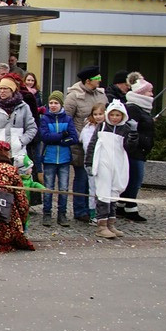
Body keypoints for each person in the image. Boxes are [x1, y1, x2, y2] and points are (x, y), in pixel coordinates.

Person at [85, 100, 136, 239]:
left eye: (117, 115)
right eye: (112, 114)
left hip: (118, 164)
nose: (114, 117)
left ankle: (111, 223)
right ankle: (101, 225)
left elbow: (129, 148)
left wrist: (133, 138)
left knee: (114, 193)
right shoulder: (101, 127)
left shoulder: (125, 129)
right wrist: (88, 163)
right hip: (103, 164)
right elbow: (92, 144)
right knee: (103, 193)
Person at [64, 66, 107, 223]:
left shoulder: (101, 95)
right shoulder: (73, 97)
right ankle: (80, 210)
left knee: (96, 180)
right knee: (81, 178)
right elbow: (67, 119)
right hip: (81, 146)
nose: (100, 81)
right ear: (88, 81)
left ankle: (95, 209)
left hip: (101, 145)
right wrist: (77, 137)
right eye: (97, 79)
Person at [118, 78, 155, 223]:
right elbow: (130, 129)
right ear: (141, 93)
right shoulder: (133, 108)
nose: (152, 94)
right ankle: (130, 207)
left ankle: (121, 205)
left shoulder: (142, 108)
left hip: (140, 150)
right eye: (149, 91)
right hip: (134, 150)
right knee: (135, 179)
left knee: (133, 179)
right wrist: (140, 141)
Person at [39, 90, 78, 227]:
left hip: (64, 159)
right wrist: (62, 135)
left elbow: (74, 138)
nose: (53, 105)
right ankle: (47, 213)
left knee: (63, 188)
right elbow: (45, 137)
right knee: (48, 187)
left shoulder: (67, 119)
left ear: (61, 104)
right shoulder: (45, 119)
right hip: (49, 158)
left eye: (56, 103)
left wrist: (60, 140)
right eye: (51, 103)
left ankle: (62, 214)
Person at [0, 76, 37, 163]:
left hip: (19, 155)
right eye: (0, 88)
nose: (2, 91)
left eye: (5, 88)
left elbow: (32, 128)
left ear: (12, 90)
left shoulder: (24, 107)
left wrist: (21, 142)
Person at [80, 103, 106, 223]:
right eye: (95, 114)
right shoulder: (88, 128)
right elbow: (87, 145)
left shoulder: (108, 126)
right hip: (92, 161)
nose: (98, 117)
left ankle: (105, 213)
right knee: (93, 189)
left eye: (100, 114)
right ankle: (93, 213)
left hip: (105, 162)